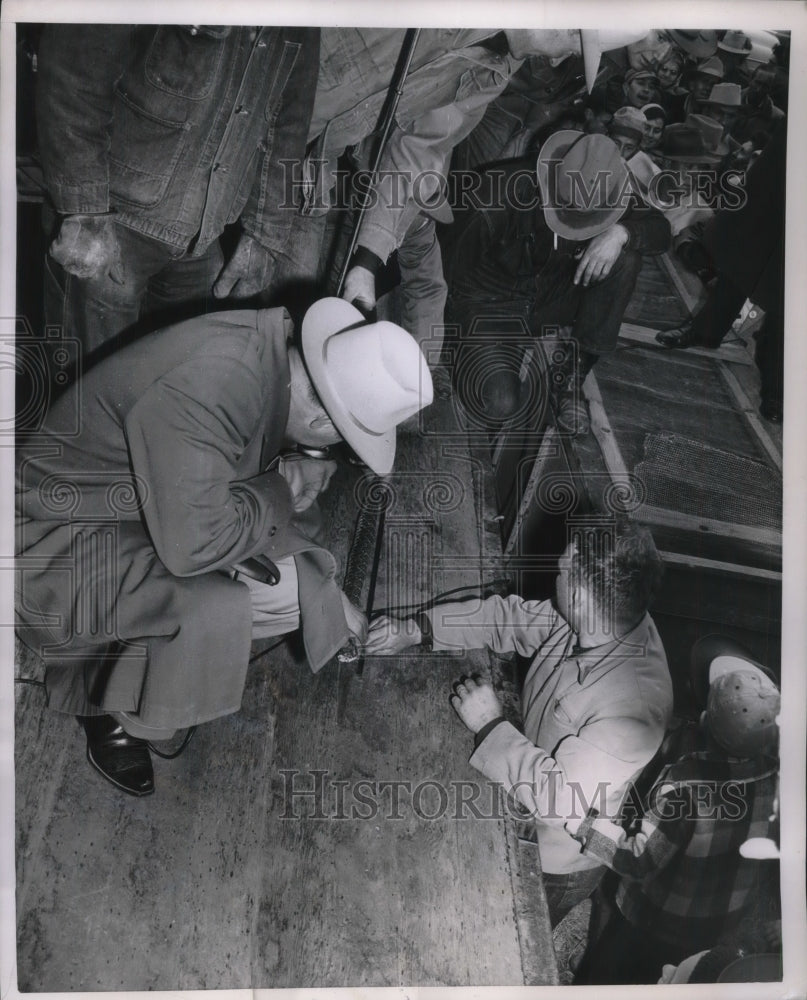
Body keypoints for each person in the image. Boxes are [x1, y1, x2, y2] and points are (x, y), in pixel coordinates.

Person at [15, 299, 434, 796]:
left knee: (305, 589)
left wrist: (328, 589)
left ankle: (122, 671)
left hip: (127, 523)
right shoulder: (219, 379)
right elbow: (192, 546)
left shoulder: (269, 364)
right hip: (45, 547)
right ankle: (112, 705)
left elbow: (238, 504)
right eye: (340, 445)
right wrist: (281, 485)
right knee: (218, 605)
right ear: (324, 423)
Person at [365, 520, 674, 927]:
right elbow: (506, 620)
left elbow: (557, 801)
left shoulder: (635, 709)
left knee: (499, 934)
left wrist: (489, 724)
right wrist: (417, 629)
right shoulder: (603, 617)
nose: (554, 574)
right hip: (520, 781)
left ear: (580, 596)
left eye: (562, 569)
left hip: (553, 857)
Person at [36, 25, 319, 356]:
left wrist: (266, 236)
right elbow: (76, 68)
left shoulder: (302, 18)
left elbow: (290, 122)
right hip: (114, 222)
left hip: (204, 241)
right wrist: (84, 206)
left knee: (168, 391)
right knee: (90, 387)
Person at [570, 636, 780, 984]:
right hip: (715, 928)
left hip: (652, 922)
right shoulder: (778, 779)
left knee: (610, 978)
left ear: (705, 717)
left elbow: (638, 861)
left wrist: (583, 823)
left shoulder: (683, 786)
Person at [441, 130, 670, 435]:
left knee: (626, 260)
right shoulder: (493, 196)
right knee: (498, 405)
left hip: (548, 294)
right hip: (489, 305)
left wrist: (620, 233)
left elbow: (661, 229)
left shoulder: (610, 189)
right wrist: (441, 346)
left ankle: (572, 374)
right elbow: (439, 274)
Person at [655, 120, 786, 422]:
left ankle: (777, 384)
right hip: (786, 161)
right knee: (748, 246)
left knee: (794, 276)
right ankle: (706, 330)